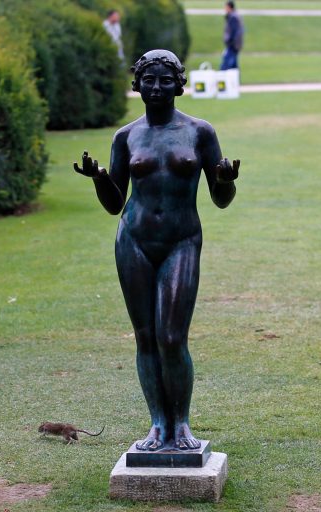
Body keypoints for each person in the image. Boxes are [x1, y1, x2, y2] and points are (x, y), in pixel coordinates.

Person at [73, 50, 240, 451]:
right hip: (133, 240)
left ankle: (181, 424)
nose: (157, 87)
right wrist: (99, 178)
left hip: (182, 241)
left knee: (171, 335)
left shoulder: (200, 132)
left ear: (179, 84)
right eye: (149, 80)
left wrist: (226, 180)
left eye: (166, 80)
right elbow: (115, 203)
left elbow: (221, 200)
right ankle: (157, 425)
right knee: (146, 336)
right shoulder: (126, 136)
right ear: (138, 84)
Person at [221, 1, 244, 70]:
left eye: (226, 7)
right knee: (234, 66)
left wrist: (230, 42)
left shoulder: (233, 17)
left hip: (232, 45)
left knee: (225, 65)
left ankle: (223, 78)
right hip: (234, 45)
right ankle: (235, 79)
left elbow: (235, 32)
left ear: (229, 7)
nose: (224, 8)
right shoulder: (234, 16)